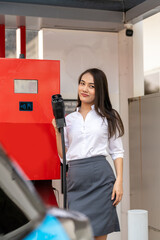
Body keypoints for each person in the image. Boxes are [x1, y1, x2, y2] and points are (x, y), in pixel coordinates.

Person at [52, 68, 124, 240]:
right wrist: (57, 132)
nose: (84, 89)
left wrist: (119, 181)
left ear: (100, 90)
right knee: (77, 235)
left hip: (102, 181)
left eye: (91, 86)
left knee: (100, 236)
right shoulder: (69, 120)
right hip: (76, 182)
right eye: (82, 83)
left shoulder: (109, 117)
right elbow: (64, 157)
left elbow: (117, 150)